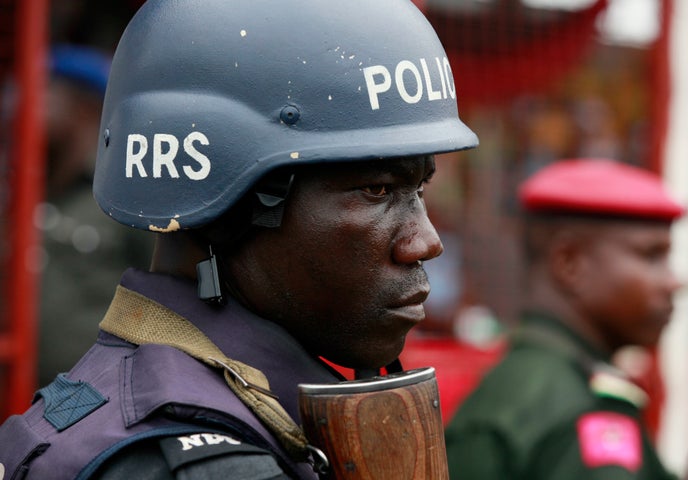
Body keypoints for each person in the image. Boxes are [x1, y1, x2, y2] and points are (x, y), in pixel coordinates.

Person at [0, 1, 478, 479]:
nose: (426, 242)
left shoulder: (139, 404)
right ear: (226, 206)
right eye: (377, 189)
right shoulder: (212, 461)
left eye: (419, 189)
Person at [445, 158, 685, 479]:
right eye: (651, 255)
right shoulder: (578, 412)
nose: (676, 282)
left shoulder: (522, 382)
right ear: (569, 262)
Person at [38, 44, 153, 387]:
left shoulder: (124, 194)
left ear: (83, 109)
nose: (13, 104)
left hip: (88, 401)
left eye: (40, 91)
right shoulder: (18, 186)